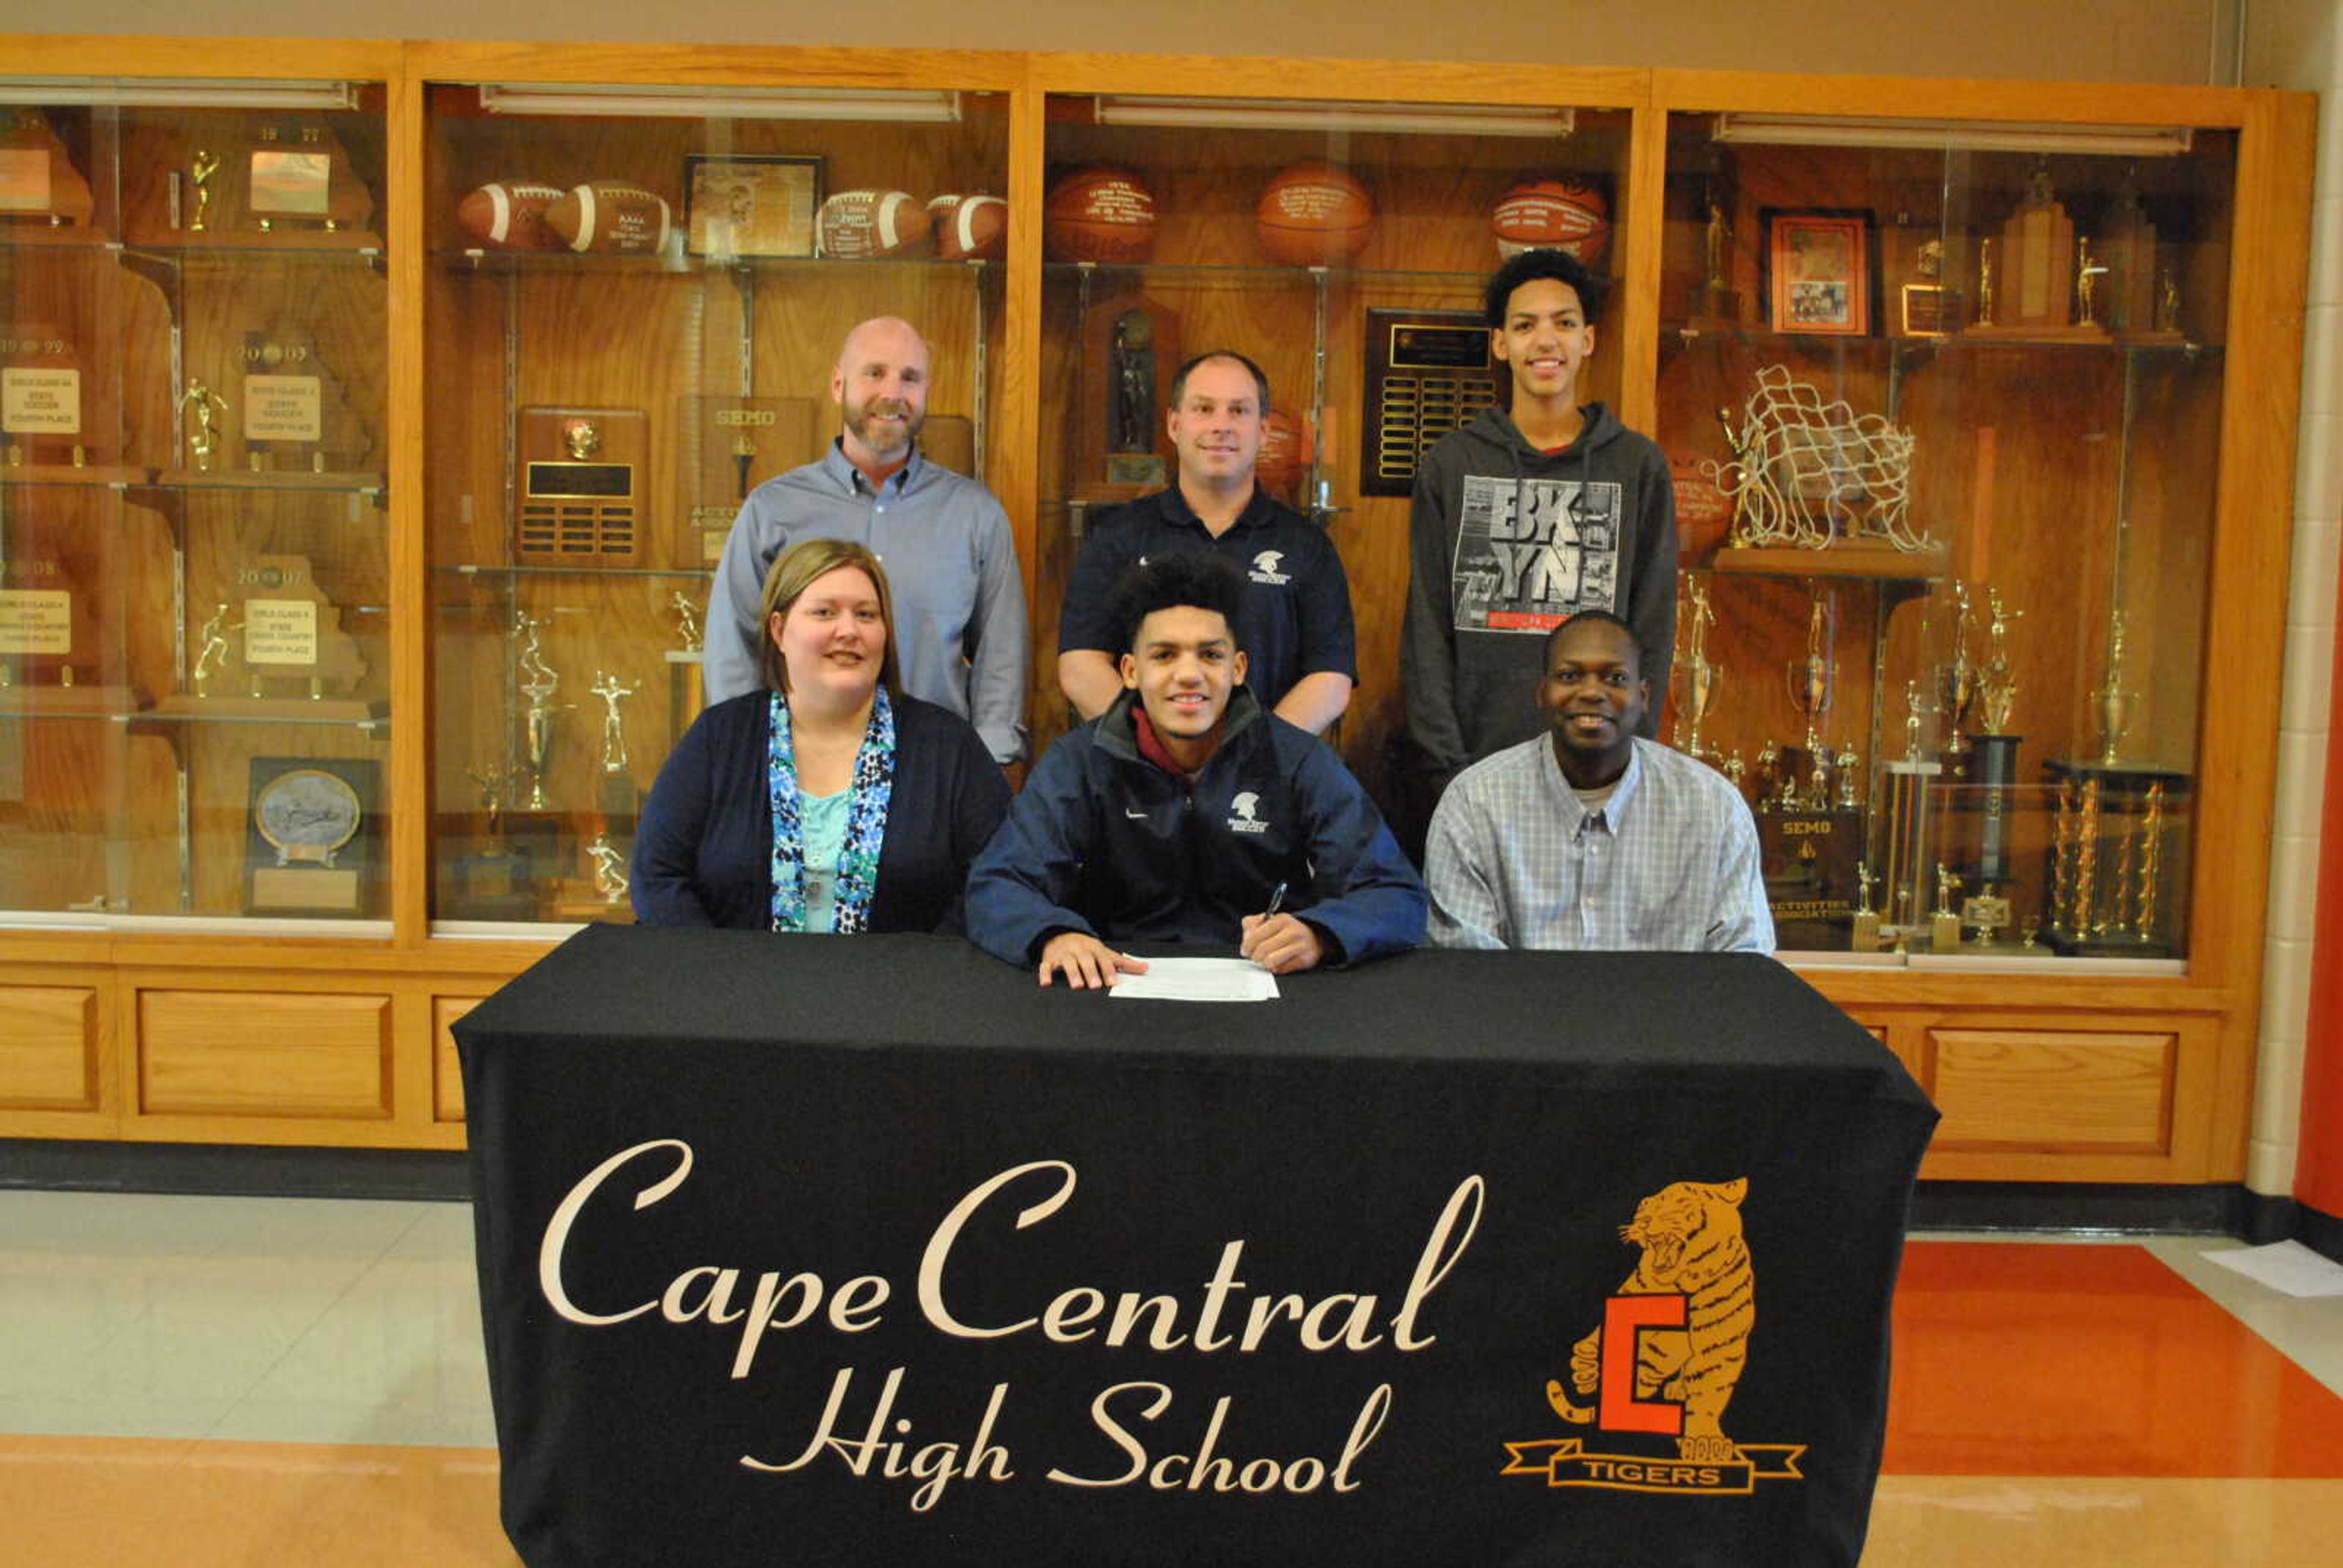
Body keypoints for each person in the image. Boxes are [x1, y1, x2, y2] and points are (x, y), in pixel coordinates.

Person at [968, 552, 1422, 987]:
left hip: (1267, 991)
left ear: (1238, 668)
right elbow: (999, 884)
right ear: (1130, 671)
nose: (1189, 675)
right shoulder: (1079, 761)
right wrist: (1054, 933)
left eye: (1210, 655)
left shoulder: (1297, 759)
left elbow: (1394, 894)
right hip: (1115, 984)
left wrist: (1320, 933)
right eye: (1164, 655)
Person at [1400, 246, 1677, 828]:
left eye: (1565, 323)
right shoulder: (1453, 464)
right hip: (1474, 773)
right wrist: (1446, 768)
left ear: (1589, 340)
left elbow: (1652, 622)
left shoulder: (1636, 465)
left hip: (1600, 770)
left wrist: (1629, 756)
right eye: (1525, 325)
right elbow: (1427, 624)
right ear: (1501, 343)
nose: (1545, 341)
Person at [634, 538, 1010, 933]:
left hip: (906, 989)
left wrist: (921, 973)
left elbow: (998, 876)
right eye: (825, 612)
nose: (848, 630)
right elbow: (657, 878)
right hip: (733, 988)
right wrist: (720, 975)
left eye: (866, 615)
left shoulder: (948, 746)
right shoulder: (718, 738)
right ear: (779, 630)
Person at [703, 315, 1029, 764]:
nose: (893, 393)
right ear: (839, 385)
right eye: (874, 373)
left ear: (926, 391)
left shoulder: (975, 516)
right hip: (799, 773)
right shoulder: (771, 511)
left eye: (910, 378)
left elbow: (1001, 656)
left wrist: (986, 767)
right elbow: (733, 649)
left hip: (934, 772)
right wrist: (744, 758)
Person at [1425, 611, 1771, 953]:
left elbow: (1742, 965)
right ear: (1542, 693)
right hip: (1519, 1010)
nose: (1591, 692)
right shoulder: (1474, 803)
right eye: (1570, 675)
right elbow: (1468, 969)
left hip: (1673, 1010)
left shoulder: (1715, 808)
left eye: (1616, 678)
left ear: (1644, 697)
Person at [1056, 351, 1355, 735]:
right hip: (1138, 778)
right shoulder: (1118, 537)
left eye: (1239, 411)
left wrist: (1258, 757)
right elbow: (1081, 665)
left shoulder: (1307, 547)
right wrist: (1152, 750)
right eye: (1204, 409)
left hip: (1267, 781)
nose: (1222, 426)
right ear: (1174, 424)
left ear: (1263, 431)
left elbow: (1330, 679)